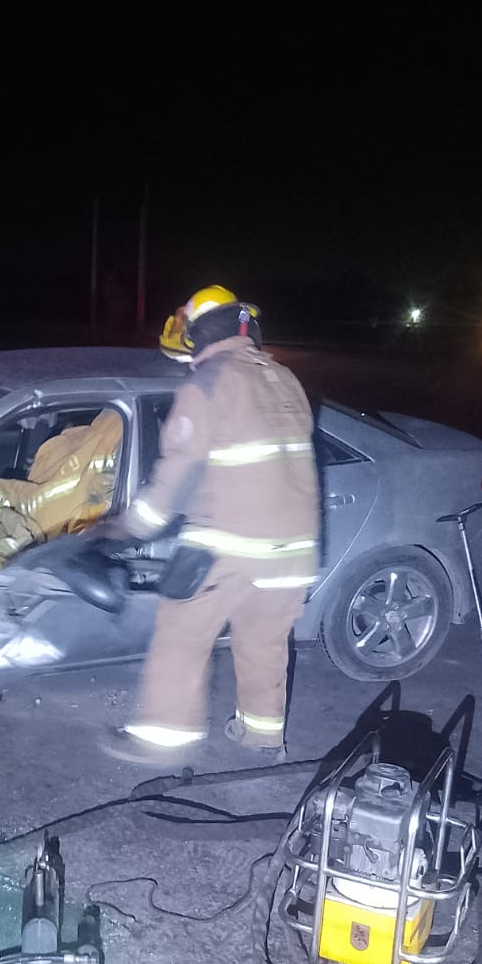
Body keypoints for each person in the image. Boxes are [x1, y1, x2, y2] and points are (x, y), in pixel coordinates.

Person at [98, 286, 320, 767]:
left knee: (182, 632)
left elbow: (175, 474)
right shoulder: (284, 378)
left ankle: (160, 739)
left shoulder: (208, 382)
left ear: (199, 331)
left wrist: (128, 528)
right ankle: (261, 736)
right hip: (295, 551)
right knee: (264, 641)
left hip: (230, 545)